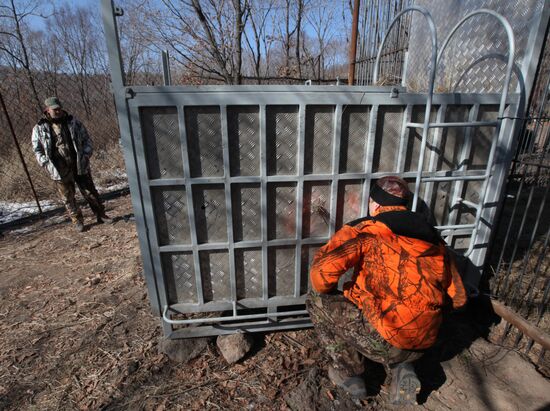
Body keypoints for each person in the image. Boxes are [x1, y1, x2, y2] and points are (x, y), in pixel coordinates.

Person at [306, 176, 467, 405]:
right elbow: (459, 299)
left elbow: (320, 277)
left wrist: (340, 295)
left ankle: (350, 375)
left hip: (384, 338)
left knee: (316, 299)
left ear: (375, 204)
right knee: (402, 321)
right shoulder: (434, 238)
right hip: (425, 341)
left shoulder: (367, 230)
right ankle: (403, 366)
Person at [32, 97, 113, 232]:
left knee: (90, 191)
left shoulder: (73, 122)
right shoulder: (40, 128)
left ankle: (101, 215)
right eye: (54, 109)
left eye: (59, 108)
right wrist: (45, 163)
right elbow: (37, 149)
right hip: (59, 167)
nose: (58, 111)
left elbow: (87, 139)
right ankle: (77, 221)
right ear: (47, 110)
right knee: (68, 196)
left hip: (78, 163)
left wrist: (86, 154)